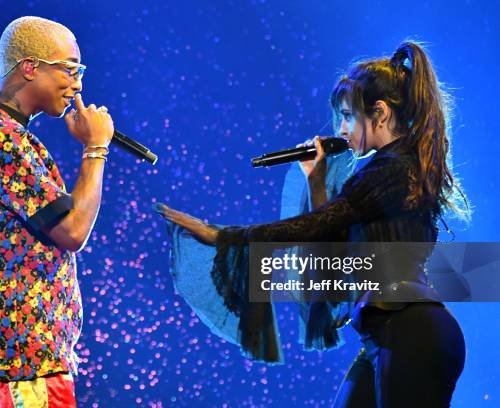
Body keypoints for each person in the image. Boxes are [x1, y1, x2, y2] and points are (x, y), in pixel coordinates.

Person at [156, 41, 470, 407]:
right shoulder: (391, 169)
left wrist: (224, 236)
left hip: (411, 331)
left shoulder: (392, 170)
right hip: (392, 333)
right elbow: (330, 242)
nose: (340, 129)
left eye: (347, 116)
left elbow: (312, 227)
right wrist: (317, 182)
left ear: (380, 114)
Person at [0, 16, 114, 407]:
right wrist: (96, 149)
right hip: (21, 364)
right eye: (70, 70)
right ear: (29, 67)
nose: (78, 84)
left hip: (17, 363)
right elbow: (72, 232)